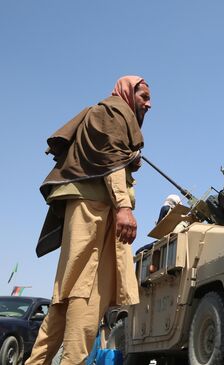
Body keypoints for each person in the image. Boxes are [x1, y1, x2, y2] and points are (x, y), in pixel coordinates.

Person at [30, 76, 150, 365]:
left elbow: (110, 155)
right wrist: (123, 206)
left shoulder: (107, 114)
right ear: (127, 93)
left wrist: (128, 157)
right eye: (144, 96)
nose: (149, 103)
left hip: (92, 207)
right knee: (88, 292)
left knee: (67, 296)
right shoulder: (113, 112)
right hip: (96, 208)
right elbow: (110, 160)